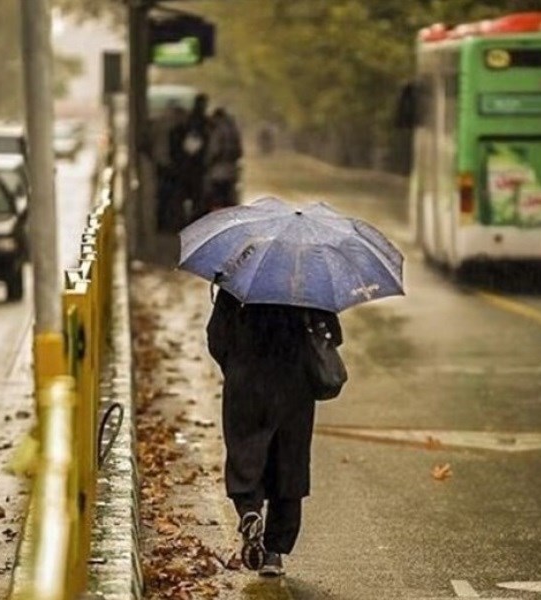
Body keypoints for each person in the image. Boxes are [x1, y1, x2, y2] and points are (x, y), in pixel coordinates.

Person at [206, 287, 343, 577]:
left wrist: (235, 366)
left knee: (245, 453)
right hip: (294, 385)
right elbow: (332, 335)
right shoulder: (309, 283)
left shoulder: (239, 282)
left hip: (246, 380)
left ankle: (249, 510)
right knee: (289, 464)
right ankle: (273, 552)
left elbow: (216, 336)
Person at [169, 93, 210, 224]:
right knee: (194, 195)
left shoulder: (188, 121)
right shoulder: (203, 123)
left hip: (187, 165)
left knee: (186, 195)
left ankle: (185, 220)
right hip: (195, 166)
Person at [151, 103, 188, 231]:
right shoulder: (177, 128)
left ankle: (163, 223)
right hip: (170, 165)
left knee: (163, 196)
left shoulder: (158, 123)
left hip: (160, 165)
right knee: (173, 196)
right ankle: (173, 222)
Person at [204, 108, 243, 211]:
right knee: (229, 198)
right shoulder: (233, 130)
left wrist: (206, 162)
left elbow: (214, 150)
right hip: (231, 171)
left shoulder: (217, 130)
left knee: (217, 199)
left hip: (217, 172)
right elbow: (239, 152)